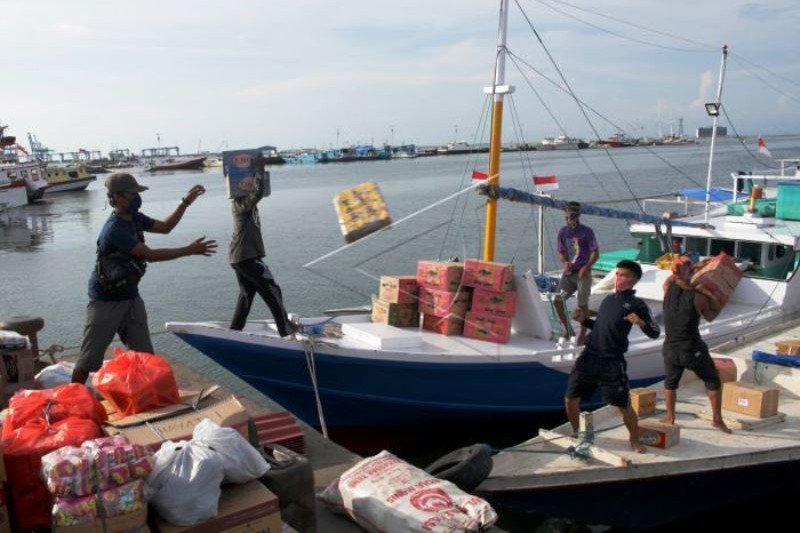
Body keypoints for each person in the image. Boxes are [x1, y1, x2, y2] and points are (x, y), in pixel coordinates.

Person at [72, 173, 217, 384]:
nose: (137, 198)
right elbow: (150, 255)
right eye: (133, 194)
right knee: (89, 359)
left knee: (145, 356)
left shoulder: (135, 219)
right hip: (105, 301)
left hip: (131, 296)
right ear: (117, 197)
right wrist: (189, 250)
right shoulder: (114, 230)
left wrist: (185, 203)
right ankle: (69, 399)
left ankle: (144, 396)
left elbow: (166, 228)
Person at [564, 259, 661, 453]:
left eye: (623, 275)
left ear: (634, 280)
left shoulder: (637, 304)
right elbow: (599, 326)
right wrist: (583, 320)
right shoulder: (609, 299)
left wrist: (640, 322)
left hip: (612, 362)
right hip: (589, 356)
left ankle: (635, 440)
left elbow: (655, 332)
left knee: (623, 405)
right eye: (617, 274)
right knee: (570, 399)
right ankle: (577, 433)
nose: (618, 278)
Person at [660, 257, 731, 433]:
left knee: (670, 384)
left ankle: (670, 417)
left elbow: (672, 278)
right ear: (692, 274)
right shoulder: (698, 297)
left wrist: (692, 268)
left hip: (669, 349)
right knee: (712, 381)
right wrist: (709, 295)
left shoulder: (668, 288)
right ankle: (717, 420)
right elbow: (712, 315)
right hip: (691, 349)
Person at [229, 153, 293, 336]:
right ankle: (286, 331)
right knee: (272, 291)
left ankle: (234, 331)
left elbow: (257, 194)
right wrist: (259, 169)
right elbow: (256, 193)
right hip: (247, 257)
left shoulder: (246, 204)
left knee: (246, 296)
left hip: (239, 257)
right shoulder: (240, 204)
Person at [554, 201, 599, 344]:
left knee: (582, 305)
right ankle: (568, 329)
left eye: (572, 214)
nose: (569, 217)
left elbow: (595, 252)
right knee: (557, 301)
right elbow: (561, 251)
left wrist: (587, 267)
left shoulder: (587, 231)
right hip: (569, 273)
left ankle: (583, 334)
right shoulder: (563, 231)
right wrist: (564, 262)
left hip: (582, 273)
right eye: (567, 214)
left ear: (578, 214)